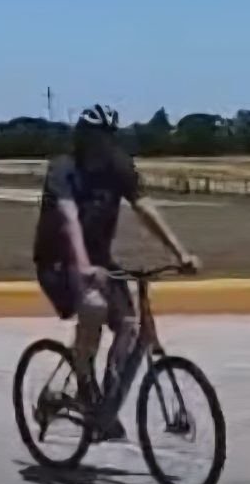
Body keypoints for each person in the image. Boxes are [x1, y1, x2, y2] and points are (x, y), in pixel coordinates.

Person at [33, 103, 200, 440]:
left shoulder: (118, 166)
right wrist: (83, 266)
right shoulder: (63, 169)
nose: (102, 145)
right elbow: (69, 219)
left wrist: (180, 253)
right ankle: (84, 388)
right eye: (96, 137)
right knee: (94, 307)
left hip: (100, 261)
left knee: (130, 326)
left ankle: (105, 406)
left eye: (108, 137)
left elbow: (143, 206)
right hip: (58, 262)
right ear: (82, 137)